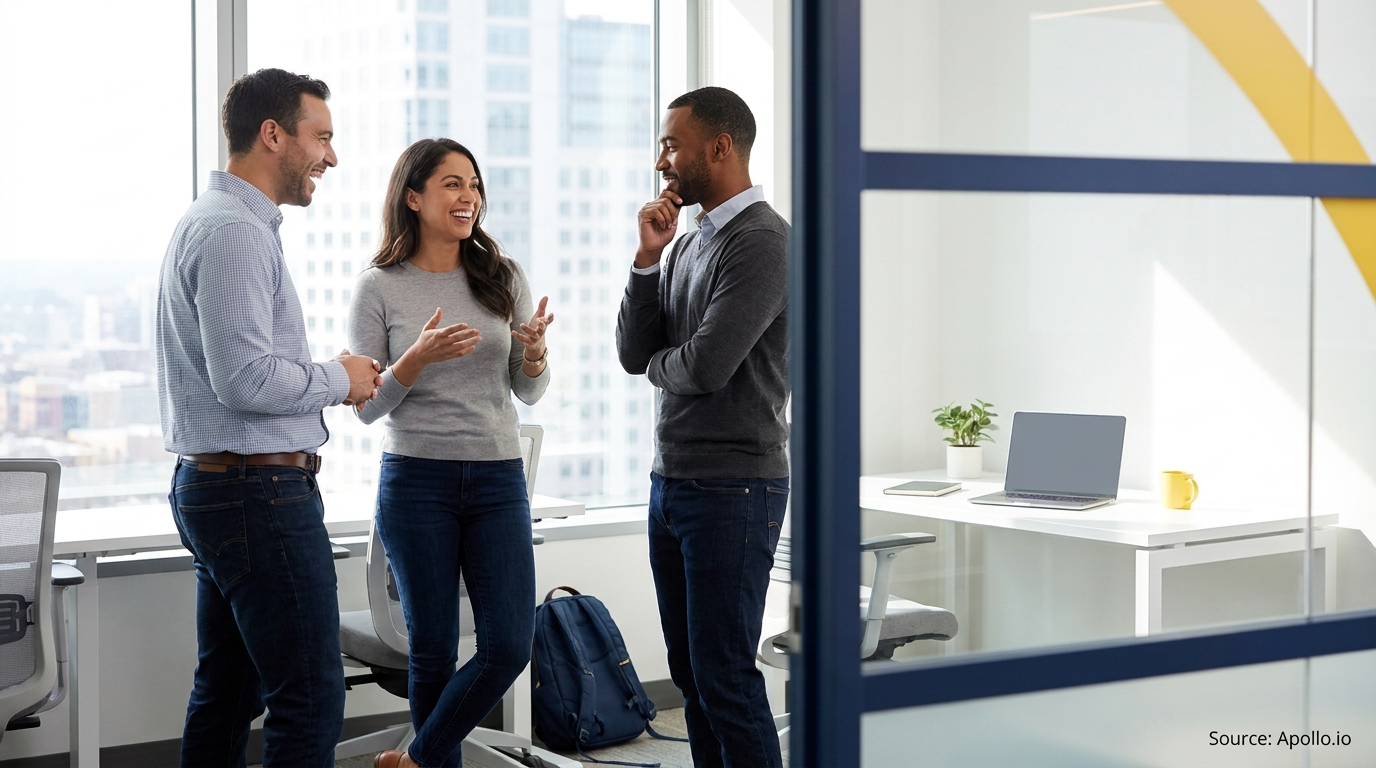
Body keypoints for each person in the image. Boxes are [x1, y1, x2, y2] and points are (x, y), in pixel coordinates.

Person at [156, 68, 383, 767]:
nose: (332, 158)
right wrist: (339, 378)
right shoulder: (234, 232)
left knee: (227, 691)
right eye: (323, 138)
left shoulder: (218, 221)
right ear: (273, 134)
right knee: (311, 695)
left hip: (229, 488)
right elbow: (246, 381)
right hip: (256, 494)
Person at [347, 138, 554, 768]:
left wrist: (537, 355)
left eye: (473, 185)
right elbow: (365, 405)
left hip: (496, 479)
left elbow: (528, 389)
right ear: (413, 198)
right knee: (432, 649)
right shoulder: (378, 287)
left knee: (509, 645)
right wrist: (415, 361)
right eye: (451, 184)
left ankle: (414, 761)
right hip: (416, 482)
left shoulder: (502, 277)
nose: (469, 197)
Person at [616, 86, 790, 768]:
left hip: (734, 487)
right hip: (674, 482)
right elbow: (636, 355)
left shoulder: (764, 242)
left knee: (724, 676)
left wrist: (666, 361)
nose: (663, 160)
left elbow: (709, 366)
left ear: (718, 148)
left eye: (671, 145)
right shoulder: (687, 244)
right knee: (690, 676)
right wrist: (646, 261)